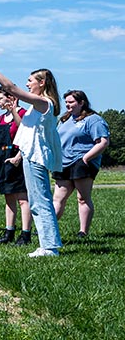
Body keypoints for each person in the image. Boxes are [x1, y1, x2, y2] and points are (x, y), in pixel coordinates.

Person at [0, 55, 63, 257]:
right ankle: (47, 245)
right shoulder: (37, 107)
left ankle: (50, 247)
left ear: (42, 83)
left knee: (40, 201)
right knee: (37, 201)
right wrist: (15, 108)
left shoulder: (44, 103)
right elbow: (23, 125)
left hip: (36, 157)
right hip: (30, 155)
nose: (27, 83)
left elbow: (11, 87)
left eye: (31, 80)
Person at [53, 89, 110, 238]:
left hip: (82, 162)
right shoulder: (65, 119)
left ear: (81, 102)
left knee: (82, 198)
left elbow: (103, 142)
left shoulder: (93, 120)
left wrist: (86, 158)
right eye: (66, 102)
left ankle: (83, 232)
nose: (67, 105)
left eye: (71, 102)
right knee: (58, 198)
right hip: (63, 162)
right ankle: (49, 229)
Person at [0, 86, 31, 246]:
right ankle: (9, 232)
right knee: (8, 198)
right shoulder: (1, 118)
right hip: (2, 160)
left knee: (22, 199)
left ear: (12, 97)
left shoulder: (23, 113)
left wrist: (18, 158)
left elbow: (27, 136)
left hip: (17, 159)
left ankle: (25, 234)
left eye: (0, 99)